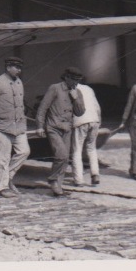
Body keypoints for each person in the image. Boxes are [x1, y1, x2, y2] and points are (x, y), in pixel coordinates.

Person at [0, 57, 31, 198]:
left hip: (19, 126)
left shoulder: (19, 82)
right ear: (8, 67)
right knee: (3, 158)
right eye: (16, 67)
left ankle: (7, 177)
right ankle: (2, 188)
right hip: (1, 126)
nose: (19, 70)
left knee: (24, 151)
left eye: (20, 67)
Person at [36, 67, 86, 197]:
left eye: (78, 81)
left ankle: (58, 186)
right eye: (74, 80)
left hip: (67, 129)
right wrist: (40, 126)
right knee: (61, 155)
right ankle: (53, 180)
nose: (76, 83)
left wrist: (76, 99)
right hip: (53, 127)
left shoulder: (77, 92)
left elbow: (80, 112)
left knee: (65, 158)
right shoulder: (55, 88)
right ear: (67, 78)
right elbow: (43, 108)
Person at [71, 77, 102, 187]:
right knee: (91, 148)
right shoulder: (89, 89)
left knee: (77, 150)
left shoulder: (70, 90)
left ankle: (79, 180)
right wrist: (99, 121)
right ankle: (95, 174)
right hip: (94, 119)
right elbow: (97, 107)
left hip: (80, 121)